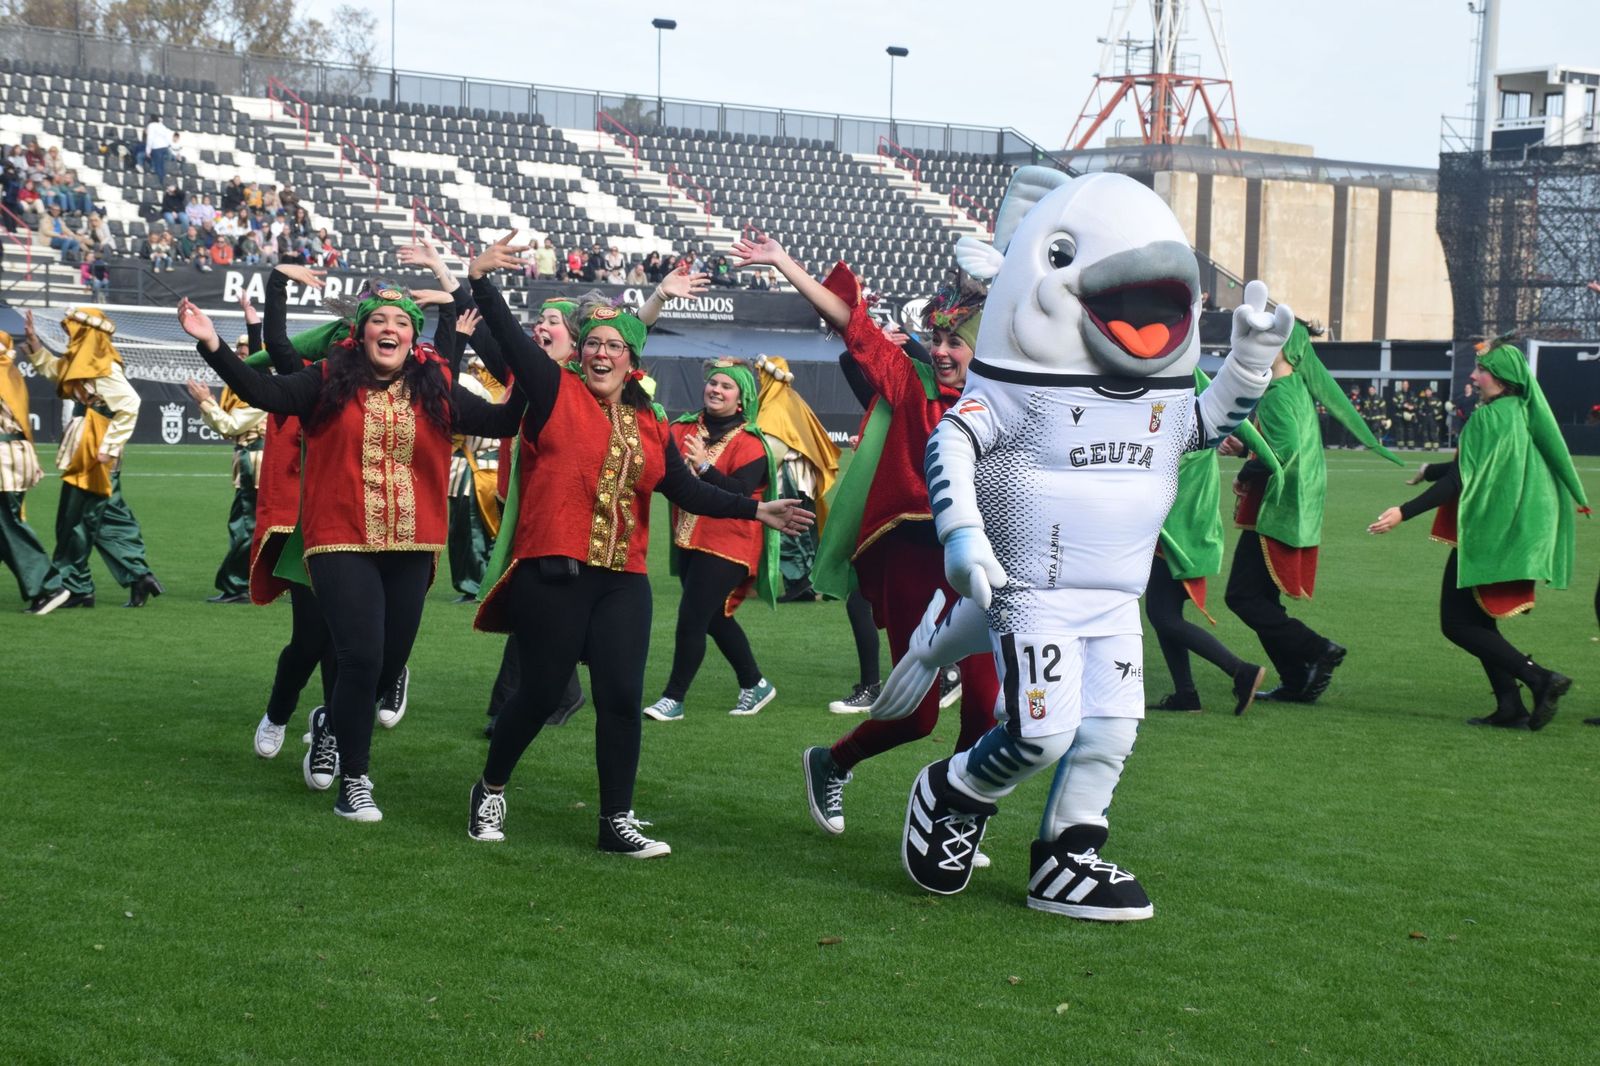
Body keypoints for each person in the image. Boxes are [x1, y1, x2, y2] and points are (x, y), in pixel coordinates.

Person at [463, 235, 812, 855]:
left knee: (621, 698)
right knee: (541, 692)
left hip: (623, 577)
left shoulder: (649, 421)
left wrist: (756, 508)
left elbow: (682, 488)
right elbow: (514, 344)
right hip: (555, 570)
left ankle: (614, 820)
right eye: (592, 343)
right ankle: (490, 787)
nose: (601, 353)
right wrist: (480, 281)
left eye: (613, 346)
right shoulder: (551, 391)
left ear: (632, 358)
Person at [179, 257, 522, 823]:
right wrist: (213, 343)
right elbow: (262, 389)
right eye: (379, 320)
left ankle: (328, 723)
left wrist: (537, 376)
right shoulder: (325, 382)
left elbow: (505, 422)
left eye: (402, 321)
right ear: (361, 332)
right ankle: (355, 783)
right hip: (339, 541)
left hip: (412, 545)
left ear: (413, 337)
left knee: (386, 669)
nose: (390, 329)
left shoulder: (435, 387)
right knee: (359, 659)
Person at [729, 234, 1000, 838]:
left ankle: (954, 819)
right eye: (940, 339)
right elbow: (853, 323)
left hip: (982, 564)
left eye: (957, 341)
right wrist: (783, 264)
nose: (943, 351)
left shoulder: (1007, 403)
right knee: (919, 715)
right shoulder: (911, 385)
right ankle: (832, 761)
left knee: (987, 705)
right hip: (914, 559)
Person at [1368, 344, 1583, 731]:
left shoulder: (1486, 419)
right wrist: (1428, 470)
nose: (1473, 376)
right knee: (1479, 620)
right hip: (1511, 531)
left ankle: (1539, 677)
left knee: (1456, 623)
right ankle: (1510, 707)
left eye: (1480, 370)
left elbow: (1461, 478)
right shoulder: (1520, 413)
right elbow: (1475, 467)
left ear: (1500, 379)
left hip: (1486, 533)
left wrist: (1403, 511)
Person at [1225, 323, 1401, 702]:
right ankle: (1295, 680)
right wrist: (1246, 451)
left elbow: (1283, 451)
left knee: (1241, 597)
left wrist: (1245, 468)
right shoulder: (1295, 390)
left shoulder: (1275, 393)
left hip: (1277, 509)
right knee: (1263, 601)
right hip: (1293, 506)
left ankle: (1318, 649)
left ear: (1286, 352)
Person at [642, 360, 781, 721]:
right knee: (714, 618)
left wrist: (704, 466)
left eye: (726, 386)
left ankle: (673, 699)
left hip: (731, 541)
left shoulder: (751, 442)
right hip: (689, 538)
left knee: (691, 617)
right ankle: (755, 683)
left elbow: (740, 492)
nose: (716, 390)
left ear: (741, 399)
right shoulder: (682, 428)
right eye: (713, 383)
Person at [21, 308, 163, 613]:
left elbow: (130, 403)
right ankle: (139, 576)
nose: (70, 334)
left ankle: (75, 585)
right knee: (109, 519)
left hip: (92, 450)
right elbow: (60, 373)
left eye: (75, 329)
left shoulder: (103, 367)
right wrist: (35, 345)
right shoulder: (89, 363)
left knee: (76, 519)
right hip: (94, 447)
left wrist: (109, 447)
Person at [1146, 372, 1272, 715]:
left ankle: (1240, 670)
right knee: (1165, 614)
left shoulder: (1178, 423)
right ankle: (1186, 694)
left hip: (1176, 535)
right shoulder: (1197, 420)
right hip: (1186, 533)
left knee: (1163, 615)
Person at [189, 295, 267, 604]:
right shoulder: (241, 387)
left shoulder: (260, 387)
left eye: (246, 352)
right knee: (249, 523)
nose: (240, 357)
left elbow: (230, 425)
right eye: (238, 352)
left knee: (247, 523)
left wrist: (204, 402)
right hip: (247, 457)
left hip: (256, 459)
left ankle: (239, 584)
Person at [753, 353, 839, 603]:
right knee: (805, 528)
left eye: (761, 374)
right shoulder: (792, 399)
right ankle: (816, 582)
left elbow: (773, 450)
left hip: (788, 477)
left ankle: (801, 582)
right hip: (804, 478)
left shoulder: (775, 407)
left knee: (789, 528)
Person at [0, 329, 53, 609]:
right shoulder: (9, 372)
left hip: (5, 461)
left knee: (7, 525)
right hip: (15, 458)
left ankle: (47, 586)